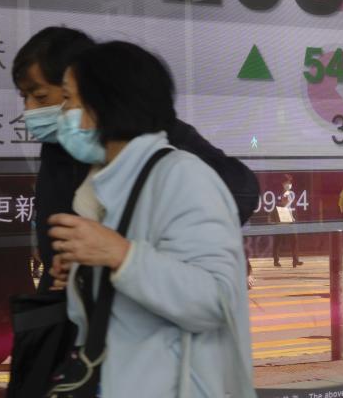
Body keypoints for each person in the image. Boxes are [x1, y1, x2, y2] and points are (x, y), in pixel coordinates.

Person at [47, 41, 252, 396]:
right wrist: (83, 276)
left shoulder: (183, 176)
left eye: (68, 99)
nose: (62, 112)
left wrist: (120, 256)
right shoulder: (104, 183)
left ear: (103, 104)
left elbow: (216, 301)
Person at [12, 27, 259, 291]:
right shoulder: (61, 147)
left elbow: (206, 298)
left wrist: (122, 256)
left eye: (40, 96)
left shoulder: (172, 157)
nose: (28, 110)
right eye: (24, 97)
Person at [273, 175, 303, 267]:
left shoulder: (290, 193)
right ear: (283, 184)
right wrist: (291, 216)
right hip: (283, 217)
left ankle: (295, 260)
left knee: (294, 239)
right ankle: (276, 260)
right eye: (287, 183)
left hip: (289, 218)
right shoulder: (284, 194)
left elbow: (291, 207)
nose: (289, 185)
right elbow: (285, 206)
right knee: (278, 239)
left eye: (290, 183)